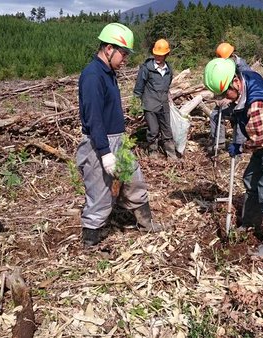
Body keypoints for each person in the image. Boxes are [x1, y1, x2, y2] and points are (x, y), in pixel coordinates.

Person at [77, 23, 165, 247]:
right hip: (100, 143)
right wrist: (105, 152)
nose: (125, 59)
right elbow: (93, 117)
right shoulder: (93, 75)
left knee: (134, 181)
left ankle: (146, 223)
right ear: (108, 49)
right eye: (123, 53)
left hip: (118, 140)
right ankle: (91, 242)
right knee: (100, 193)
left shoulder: (109, 72)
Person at [203, 58, 263, 257]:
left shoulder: (257, 103)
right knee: (250, 178)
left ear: (236, 83)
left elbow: (260, 141)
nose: (225, 98)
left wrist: (240, 146)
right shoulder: (246, 77)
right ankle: (250, 221)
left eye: (226, 93)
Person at [133, 38, 176, 159]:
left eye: (161, 55)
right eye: (156, 54)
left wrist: (168, 97)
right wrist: (137, 101)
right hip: (150, 103)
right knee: (153, 130)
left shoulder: (168, 69)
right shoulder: (147, 68)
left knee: (167, 129)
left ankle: (171, 153)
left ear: (166, 55)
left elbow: (168, 85)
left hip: (164, 103)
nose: (158, 57)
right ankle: (153, 152)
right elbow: (139, 86)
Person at [208, 42, 251, 154]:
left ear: (231, 56)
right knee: (215, 114)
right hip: (233, 101)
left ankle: (239, 149)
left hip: (244, 104)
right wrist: (220, 98)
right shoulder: (224, 66)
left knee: (240, 118)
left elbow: (247, 91)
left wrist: (232, 99)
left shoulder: (243, 69)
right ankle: (219, 142)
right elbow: (221, 84)